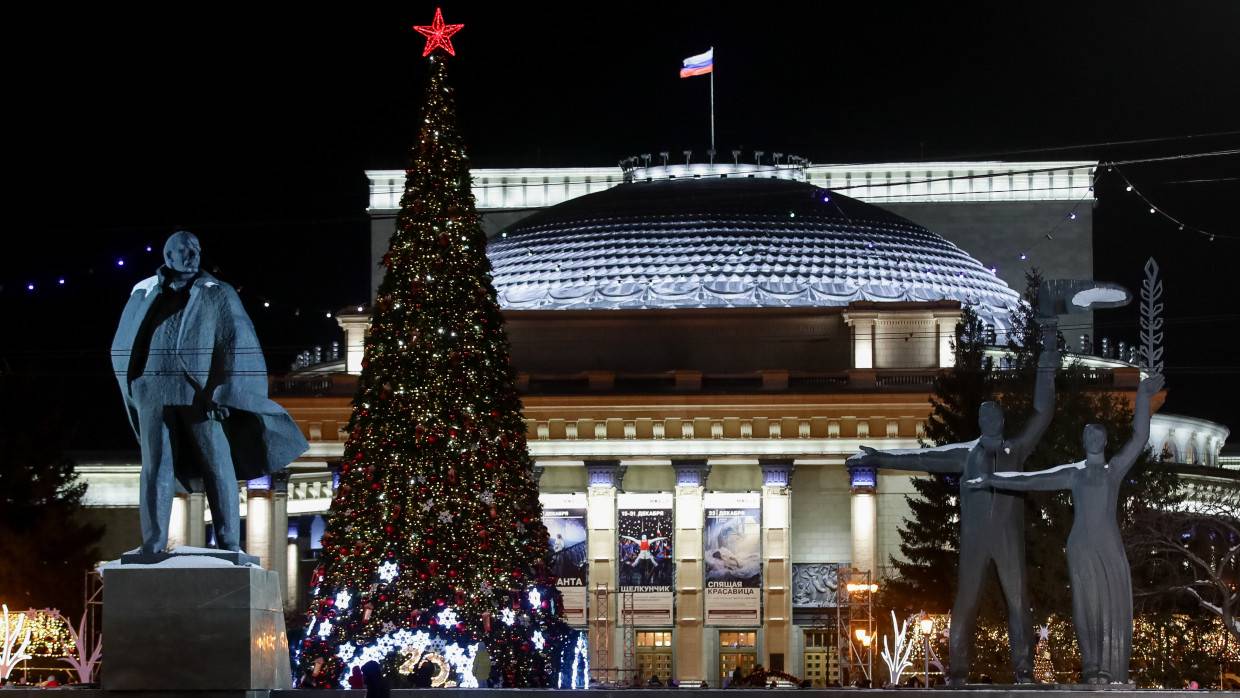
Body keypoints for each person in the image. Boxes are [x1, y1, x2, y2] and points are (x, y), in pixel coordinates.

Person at [847, 317, 1059, 684]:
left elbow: (1044, 413)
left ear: (1001, 420)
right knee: (965, 603)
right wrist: (880, 457)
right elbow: (920, 459)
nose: (988, 419)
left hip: (1008, 540)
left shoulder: (1016, 449)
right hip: (976, 541)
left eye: (993, 414)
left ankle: (1024, 671)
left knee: (1018, 602)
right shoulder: (967, 453)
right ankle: (958, 672)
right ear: (979, 421)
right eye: (983, 415)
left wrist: (1047, 362)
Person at [110, 231, 307, 554]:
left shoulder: (217, 292)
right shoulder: (144, 292)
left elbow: (236, 341)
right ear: (168, 256)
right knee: (156, 466)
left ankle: (229, 541)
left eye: (196, 251)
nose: (192, 256)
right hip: (151, 390)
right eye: (185, 251)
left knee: (218, 462)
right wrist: (133, 384)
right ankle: (154, 541)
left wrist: (226, 392)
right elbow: (125, 339)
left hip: (200, 395)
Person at [971, 374, 1163, 685]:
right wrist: (993, 480)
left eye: (1097, 436)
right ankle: (1091, 667)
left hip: (1108, 546)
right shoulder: (1073, 474)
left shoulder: (1113, 470)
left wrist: (1143, 396)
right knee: (1085, 606)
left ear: (1104, 441)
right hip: (1081, 547)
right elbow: (1031, 479)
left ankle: (1110, 668)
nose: (1092, 440)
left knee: (1110, 604)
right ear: (1084, 442)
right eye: (1087, 437)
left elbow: (1139, 437)